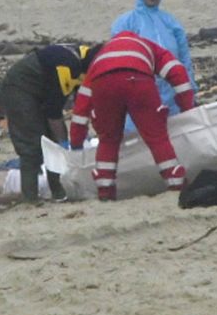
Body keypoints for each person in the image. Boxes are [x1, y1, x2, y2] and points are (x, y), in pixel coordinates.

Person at [69, 31, 197, 200]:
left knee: (108, 139)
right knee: (157, 137)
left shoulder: (98, 61)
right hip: (138, 80)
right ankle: (175, 182)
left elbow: (81, 107)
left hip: (103, 85)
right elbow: (177, 72)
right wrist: (187, 108)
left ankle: (105, 189)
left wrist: (76, 143)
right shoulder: (149, 46)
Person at [0, 43, 97, 201]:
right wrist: (64, 142)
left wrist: (75, 141)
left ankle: (58, 192)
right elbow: (53, 111)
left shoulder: (84, 63)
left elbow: (81, 105)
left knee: (52, 145)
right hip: (20, 89)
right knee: (32, 146)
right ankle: (30, 197)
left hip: (42, 91)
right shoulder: (67, 67)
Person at [111, 0, 196, 113]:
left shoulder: (170, 22)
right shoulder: (126, 23)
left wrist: (190, 85)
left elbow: (184, 56)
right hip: (141, 92)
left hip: (172, 92)